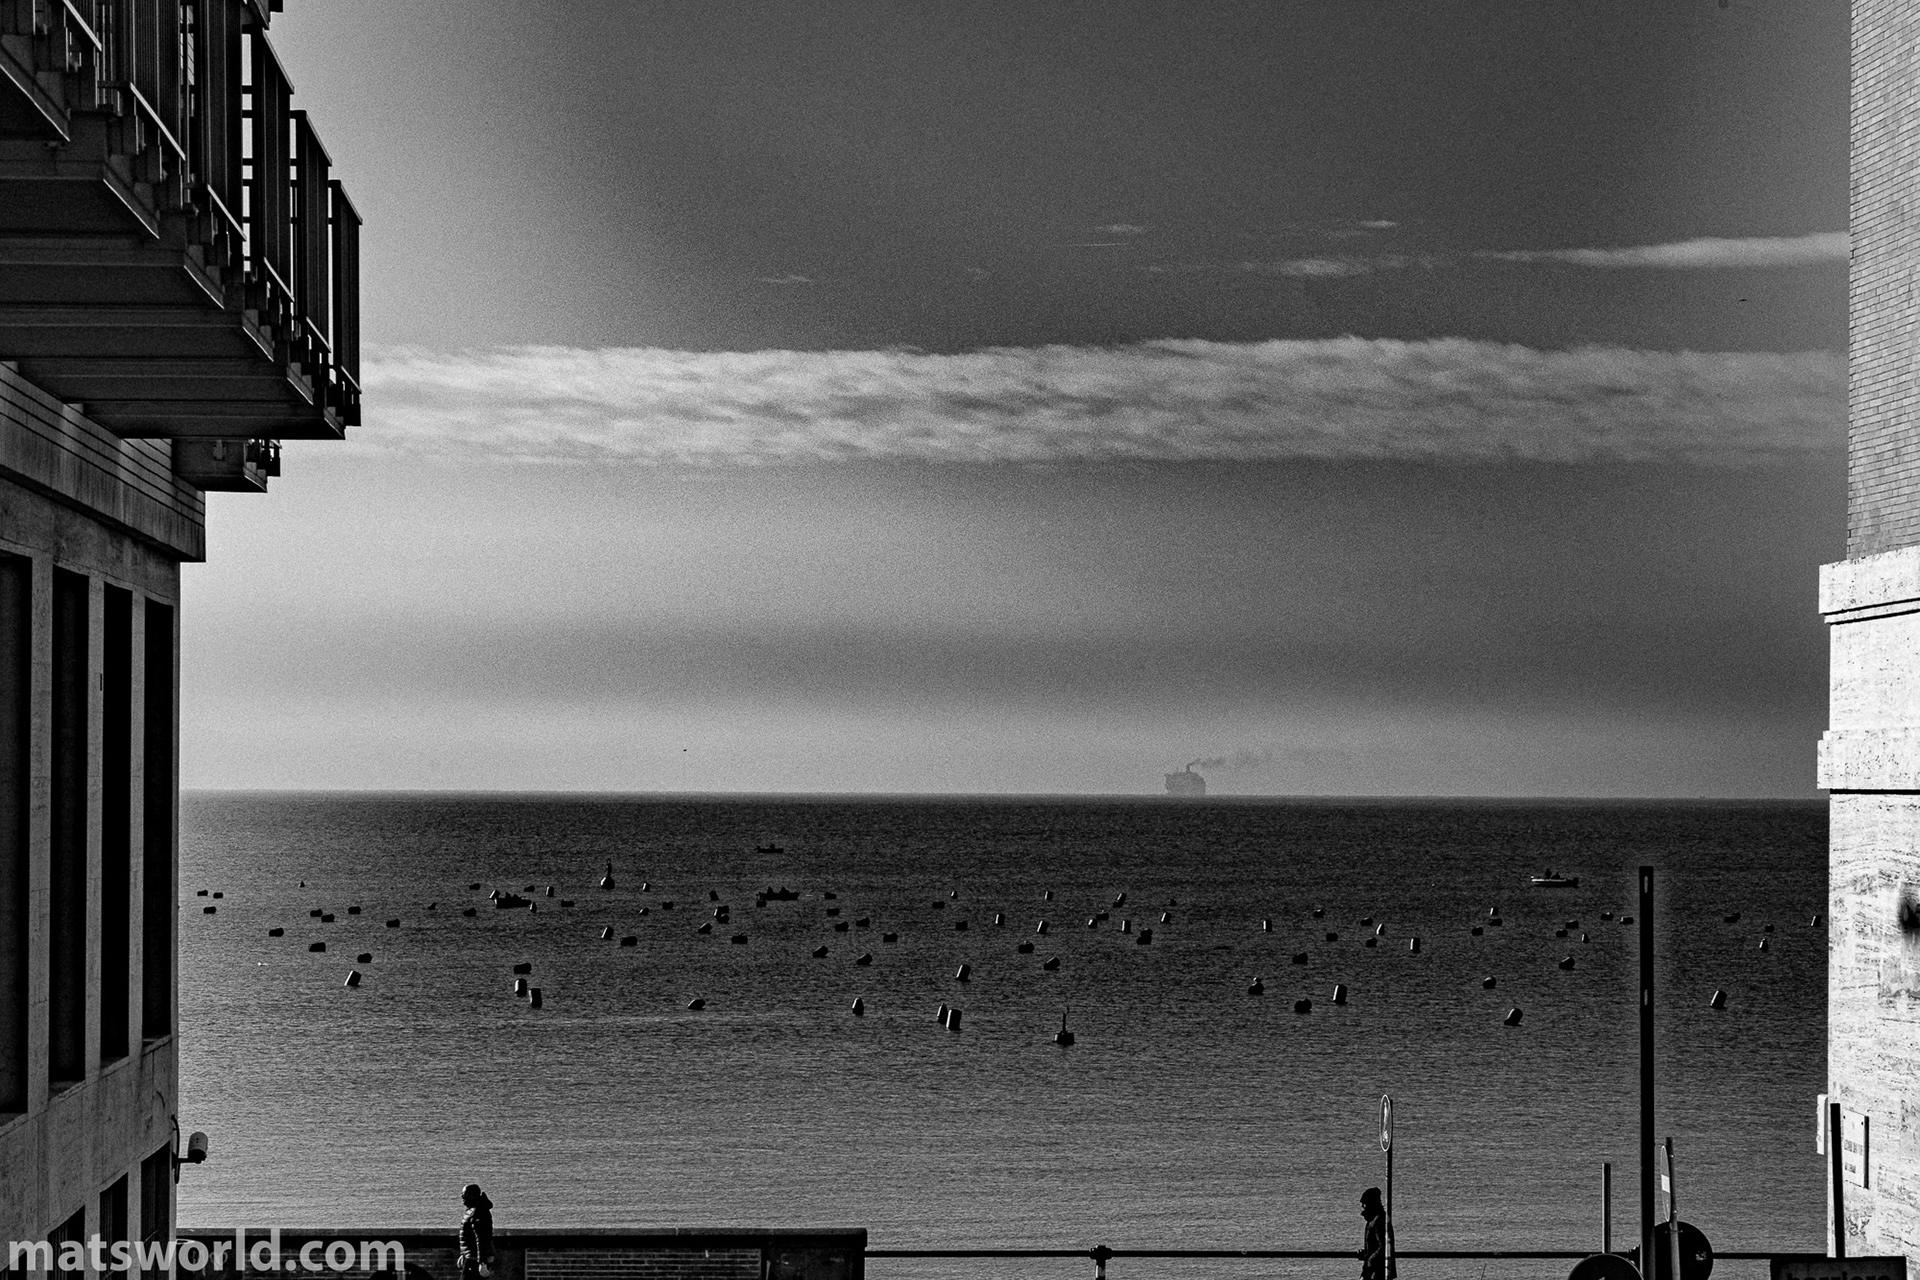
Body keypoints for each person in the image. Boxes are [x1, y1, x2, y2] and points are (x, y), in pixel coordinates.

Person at [458, 1184, 495, 1280]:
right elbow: (468, 1236)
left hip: (475, 1259)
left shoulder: (478, 1212)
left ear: (471, 1196)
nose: (462, 1197)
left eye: (464, 1195)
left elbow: (482, 1238)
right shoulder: (473, 1210)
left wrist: (482, 1263)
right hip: (471, 1257)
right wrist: (464, 1254)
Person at [1359, 1186, 1387, 1280]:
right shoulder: (1374, 1220)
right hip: (1373, 1270)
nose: (1362, 1206)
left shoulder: (1378, 1221)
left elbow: (1383, 1245)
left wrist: (1371, 1260)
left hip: (1377, 1271)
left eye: (1364, 1203)